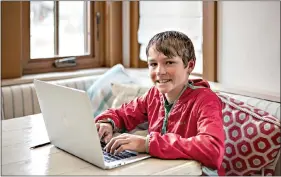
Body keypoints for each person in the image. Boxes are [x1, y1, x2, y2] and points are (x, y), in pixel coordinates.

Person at [95, 31, 225, 176]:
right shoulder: (154, 95)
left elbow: (212, 150)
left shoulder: (205, 100)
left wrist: (146, 144)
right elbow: (123, 113)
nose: (159, 71)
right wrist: (108, 123)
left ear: (190, 65)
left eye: (169, 62)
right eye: (153, 64)